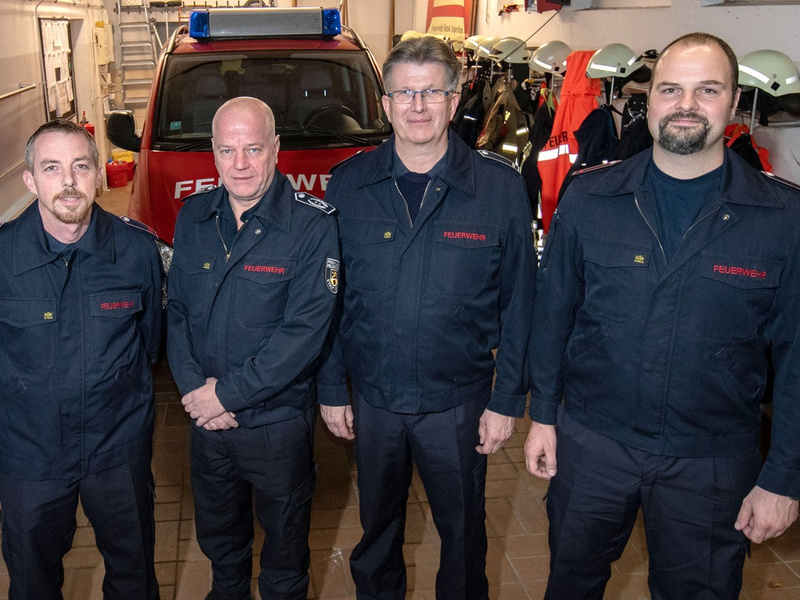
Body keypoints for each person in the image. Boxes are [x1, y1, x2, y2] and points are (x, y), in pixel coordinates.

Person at [524, 32, 800, 600]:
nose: (686, 104)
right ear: (649, 100)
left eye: (707, 90)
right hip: (593, 446)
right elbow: (553, 316)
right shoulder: (590, 197)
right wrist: (543, 417)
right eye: (671, 88)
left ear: (733, 102)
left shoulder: (782, 218)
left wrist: (782, 478)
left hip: (712, 464)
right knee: (570, 586)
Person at [317, 36, 536, 599]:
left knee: (462, 536)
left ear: (456, 97)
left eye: (431, 92)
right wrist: (331, 387)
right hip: (374, 399)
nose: (417, 106)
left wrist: (506, 400)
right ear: (384, 103)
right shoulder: (348, 186)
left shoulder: (499, 188)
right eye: (404, 93)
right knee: (377, 532)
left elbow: (520, 301)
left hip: (458, 403)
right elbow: (329, 299)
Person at [167, 97, 340, 600]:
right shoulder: (195, 215)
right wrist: (196, 391)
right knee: (222, 549)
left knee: (285, 556)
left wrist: (227, 395)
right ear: (214, 154)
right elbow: (176, 312)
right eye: (227, 150)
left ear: (276, 149)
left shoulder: (312, 225)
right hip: (208, 423)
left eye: (253, 148)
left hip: (275, 423)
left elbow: (304, 332)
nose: (239, 163)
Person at [0, 119, 163, 599]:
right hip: (29, 454)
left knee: (133, 575)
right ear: (30, 180)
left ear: (98, 174)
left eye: (80, 166)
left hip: (117, 449)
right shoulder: (2, 258)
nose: (68, 182)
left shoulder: (135, 251)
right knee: (32, 581)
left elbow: (150, 344)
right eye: (52, 168)